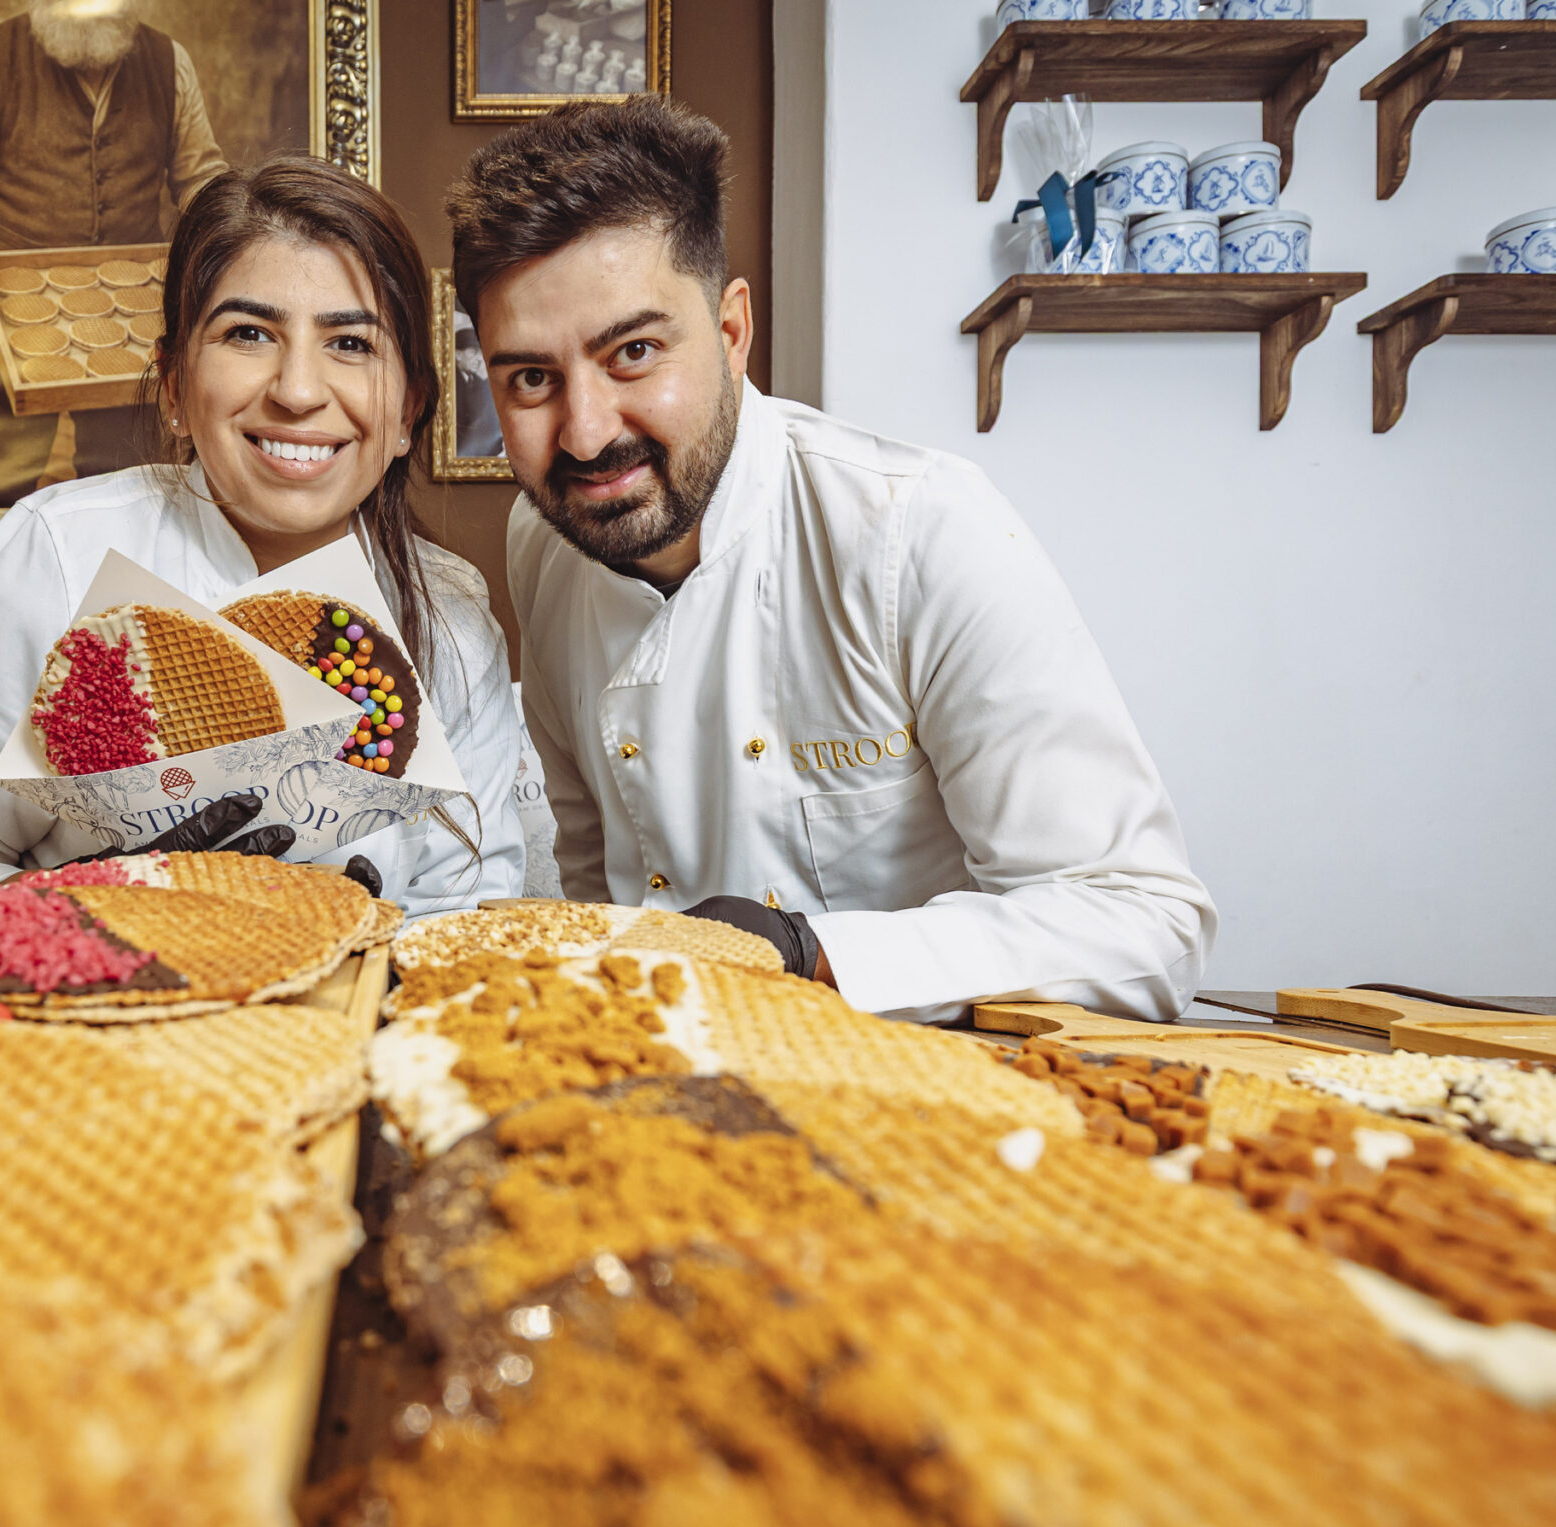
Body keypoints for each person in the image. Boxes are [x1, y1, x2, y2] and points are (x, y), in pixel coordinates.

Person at [450, 98, 1214, 1024]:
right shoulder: (543, 540)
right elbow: (588, 867)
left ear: (732, 332)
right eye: (532, 378)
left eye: (635, 352)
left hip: (923, 1081)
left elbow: (1145, 924)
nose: (585, 432)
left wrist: (808, 952)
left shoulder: (918, 529)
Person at [0, 155, 526, 946]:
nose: (298, 390)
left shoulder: (449, 616)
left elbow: (468, 921)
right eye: (249, 334)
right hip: (101, 1025)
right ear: (173, 385)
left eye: (350, 343)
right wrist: (87, 906)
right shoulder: (57, 558)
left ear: (408, 412)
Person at [0, 0, 230, 507]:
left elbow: (201, 177)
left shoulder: (169, 62)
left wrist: (229, 235)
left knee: (127, 486)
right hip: (7, 314)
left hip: (134, 319)